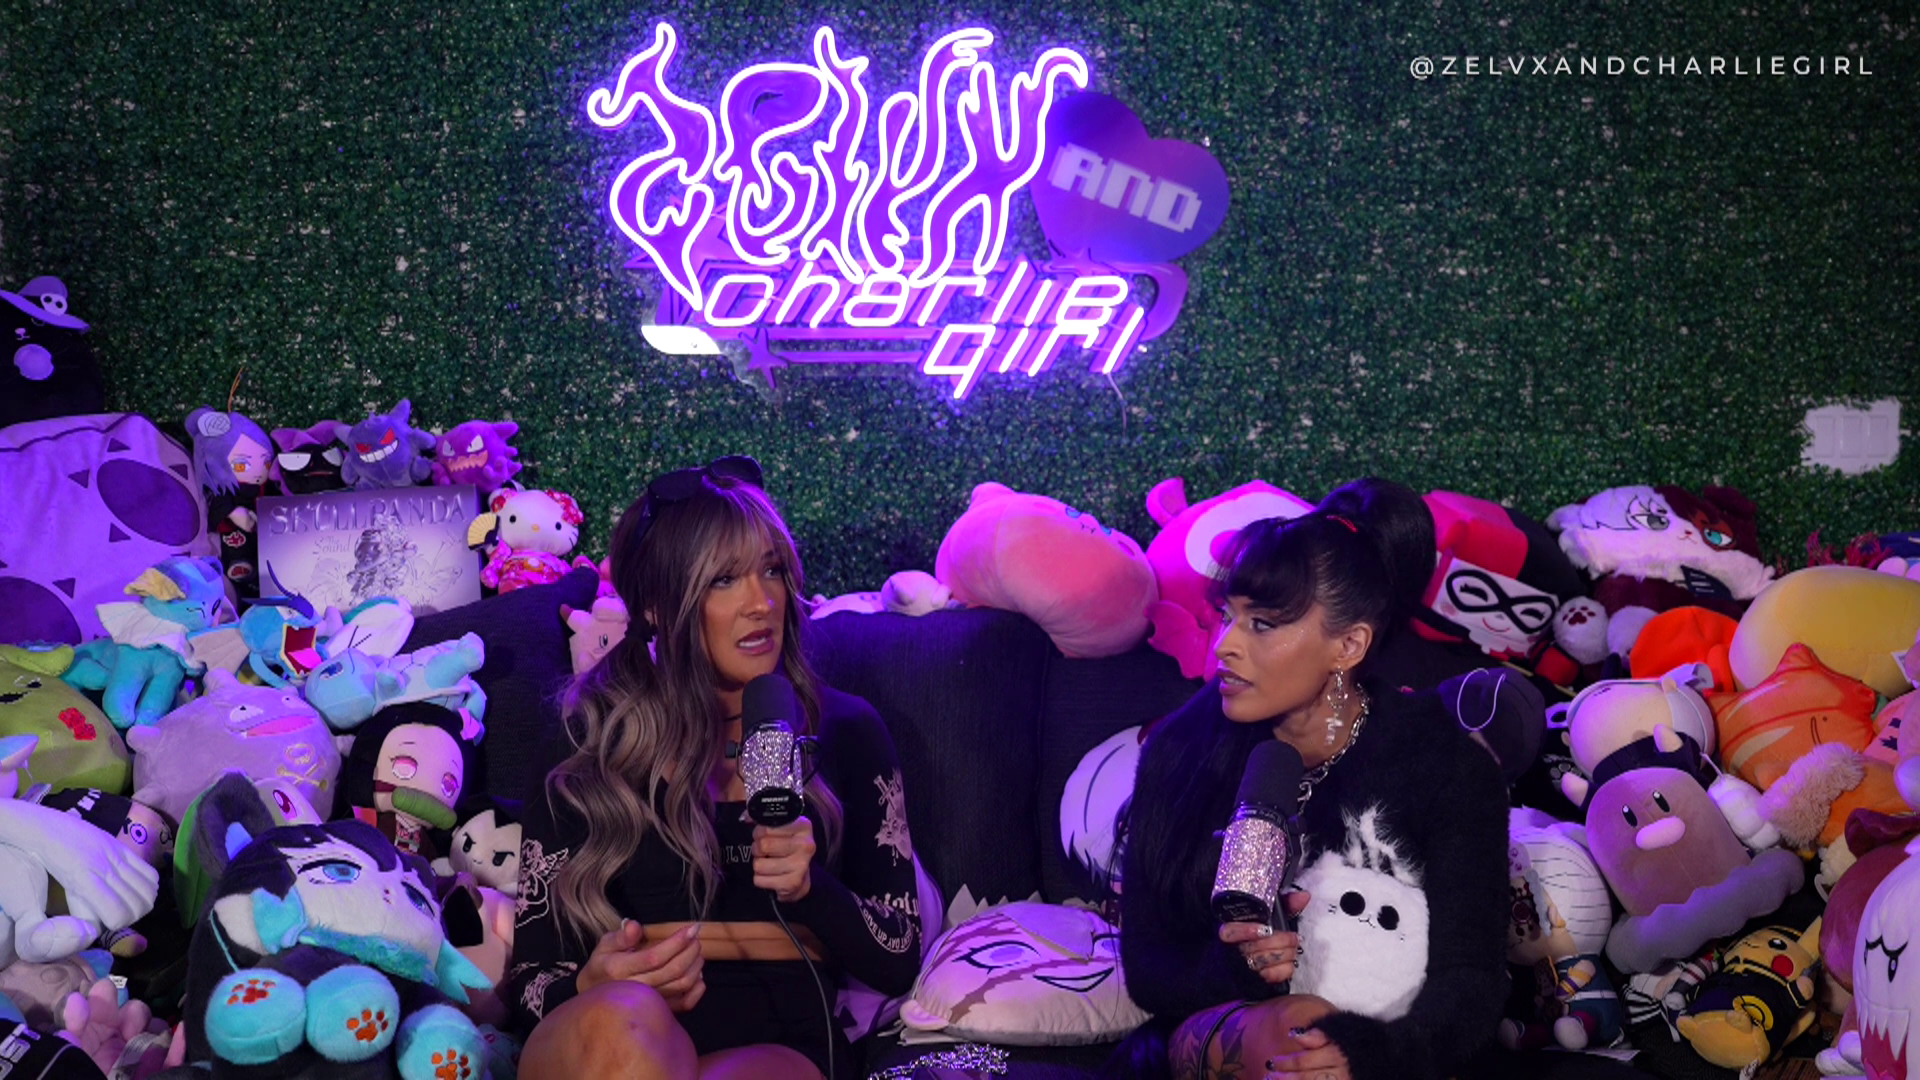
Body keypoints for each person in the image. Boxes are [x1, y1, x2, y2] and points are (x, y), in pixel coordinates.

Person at [506, 456, 922, 1080]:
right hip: (607, 1036)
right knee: (622, 1031)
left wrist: (812, 889)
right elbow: (528, 982)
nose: (763, 602)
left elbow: (901, 953)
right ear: (655, 606)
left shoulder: (847, 729)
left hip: (778, 1045)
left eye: (772, 570)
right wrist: (589, 982)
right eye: (723, 580)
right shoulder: (587, 743)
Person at [1116, 480, 1510, 1080]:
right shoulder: (1180, 750)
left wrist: (1371, 1056)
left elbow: (1472, 979)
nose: (1224, 646)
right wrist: (1237, 968)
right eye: (1226, 616)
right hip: (1229, 1040)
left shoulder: (1445, 767)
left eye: (1262, 624)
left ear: (1348, 645)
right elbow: (1148, 969)